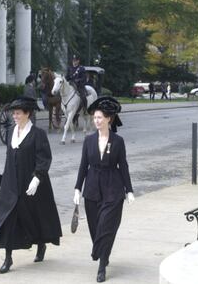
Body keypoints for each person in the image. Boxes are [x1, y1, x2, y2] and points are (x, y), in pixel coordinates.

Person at [0, 96, 62, 274]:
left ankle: (41, 245)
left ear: (27, 114)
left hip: (31, 184)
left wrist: (37, 179)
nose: (14, 116)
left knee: (35, 217)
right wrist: (4, 179)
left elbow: (44, 159)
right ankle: (8, 258)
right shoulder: (10, 133)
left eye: (17, 113)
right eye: (13, 113)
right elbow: (9, 159)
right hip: (11, 185)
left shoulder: (38, 134)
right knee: (8, 220)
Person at [73, 96, 134, 283]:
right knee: (95, 227)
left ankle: (101, 265)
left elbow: (123, 166)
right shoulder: (89, 141)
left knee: (106, 226)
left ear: (109, 119)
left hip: (113, 189)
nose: (96, 121)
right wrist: (77, 188)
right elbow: (83, 166)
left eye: (100, 117)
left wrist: (129, 190)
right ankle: (103, 253)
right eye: (95, 118)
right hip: (91, 189)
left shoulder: (118, 141)